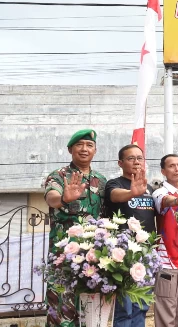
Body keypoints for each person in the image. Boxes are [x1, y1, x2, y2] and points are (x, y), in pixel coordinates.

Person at [44, 129, 106, 327]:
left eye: (89, 145)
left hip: (92, 257)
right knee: (61, 308)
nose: (84, 149)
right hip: (63, 256)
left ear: (95, 150)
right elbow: (51, 197)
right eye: (79, 145)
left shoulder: (101, 180)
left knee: (91, 310)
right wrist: (63, 198)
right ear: (70, 149)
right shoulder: (59, 175)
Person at [104, 144, 156, 327]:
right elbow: (115, 196)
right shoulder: (114, 183)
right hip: (125, 254)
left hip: (146, 253)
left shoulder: (148, 187)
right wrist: (131, 193)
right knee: (125, 309)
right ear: (120, 163)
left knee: (141, 305)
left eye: (139, 158)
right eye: (131, 158)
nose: (136, 162)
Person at [151, 154, 178, 327]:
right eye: (171, 166)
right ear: (163, 171)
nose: (177, 169)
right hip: (168, 260)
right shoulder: (160, 192)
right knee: (166, 310)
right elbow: (165, 202)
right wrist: (176, 200)